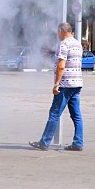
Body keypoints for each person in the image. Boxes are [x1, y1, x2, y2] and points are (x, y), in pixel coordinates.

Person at [30, 22, 84, 152]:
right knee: (76, 115)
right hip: (77, 83)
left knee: (54, 113)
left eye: (58, 32)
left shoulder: (64, 44)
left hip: (65, 84)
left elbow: (61, 65)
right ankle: (78, 142)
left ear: (61, 31)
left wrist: (57, 84)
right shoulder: (78, 44)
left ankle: (44, 142)